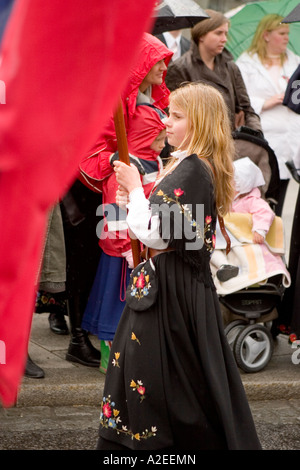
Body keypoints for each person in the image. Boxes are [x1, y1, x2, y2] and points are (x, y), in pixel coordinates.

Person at [96, 82, 261, 450]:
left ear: (199, 123)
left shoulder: (193, 171)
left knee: (164, 385)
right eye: (168, 114)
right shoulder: (184, 165)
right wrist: (133, 197)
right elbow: (154, 224)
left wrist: (137, 189)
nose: (165, 123)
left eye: (176, 116)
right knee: (169, 382)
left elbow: (157, 234)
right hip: (168, 287)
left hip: (173, 293)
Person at [78, 34, 173, 371]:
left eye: (164, 59)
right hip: (121, 194)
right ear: (140, 65)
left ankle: (137, 350)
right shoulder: (116, 104)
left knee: (143, 269)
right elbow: (89, 152)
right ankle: (112, 354)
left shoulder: (154, 100)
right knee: (122, 269)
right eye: (157, 60)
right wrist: (123, 160)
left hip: (150, 190)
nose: (164, 66)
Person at [236, 14, 300, 216]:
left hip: (290, 136)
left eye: (287, 33)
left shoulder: (294, 61)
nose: (286, 38)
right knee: (262, 195)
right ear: (266, 35)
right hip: (264, 135)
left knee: (282, 196)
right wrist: (265, 102)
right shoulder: (246, 63)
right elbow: (241, 97)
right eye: (281, 33)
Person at [165, 9, 262, 133]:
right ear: (201, 35)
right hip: (196, 142)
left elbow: (247, 109)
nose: (224, 39)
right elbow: (174, 113)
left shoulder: (231, 67)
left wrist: (255, 135)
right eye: (218, 33)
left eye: (225, 34)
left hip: (229, 141)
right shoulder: (180, 68)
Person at [211, 156, 275, 283]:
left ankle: (232, 269)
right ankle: (224, 266)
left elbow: (264, 212)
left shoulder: (251, 201)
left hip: (243, 241)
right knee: (210, 248)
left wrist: (259, 230)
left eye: (229, 183)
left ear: (242, 186)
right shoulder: (226, 201)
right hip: (225, 240)